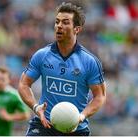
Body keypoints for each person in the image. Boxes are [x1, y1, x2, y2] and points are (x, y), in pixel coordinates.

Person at [18, 2, 106, 136]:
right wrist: (36, 108)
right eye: (57, 22)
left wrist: (81, 116)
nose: (59, 26)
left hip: (76, 129)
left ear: (77, 29)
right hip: (44, 125)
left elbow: (100, 96)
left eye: (65, 22)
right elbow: (24, 84)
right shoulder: (42, 55)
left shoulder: (90, 62)